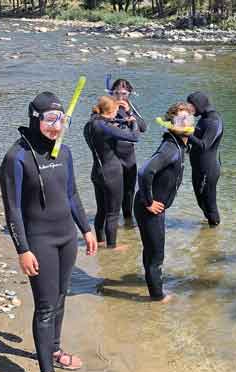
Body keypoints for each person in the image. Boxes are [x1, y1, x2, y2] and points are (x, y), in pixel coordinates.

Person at [0, 92, 97, 372]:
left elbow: (72, 195)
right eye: (49, 119)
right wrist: (23, 249)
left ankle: (54, 350)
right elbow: (13, 209)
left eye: (61, 119)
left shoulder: (64, 152)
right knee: (45, 306)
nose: (56, 126)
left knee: (60, 298)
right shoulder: (16, 157)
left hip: (67, 238)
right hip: (39, 241)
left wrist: (86, 229)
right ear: (34, 119)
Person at [134, 102, 195, 302]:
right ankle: (157, 297)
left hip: (150, 207)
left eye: (189, 118)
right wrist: (149, 201)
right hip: (150, 208)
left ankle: (152, 287)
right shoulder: (171, 148)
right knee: (157, 255)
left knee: (151, 250)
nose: (186, 123)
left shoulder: (179, 144)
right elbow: (144, 172)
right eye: (180, 119)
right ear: (171, 124)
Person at [84, 96, 139, 251]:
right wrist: (133, 122)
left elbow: (106, 123)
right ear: (112, 111)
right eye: (115, 111)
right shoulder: (105, 127)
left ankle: (100, 241)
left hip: (97, 171)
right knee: (113, 212)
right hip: (111, 173)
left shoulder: (90, 124)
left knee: (101, 209)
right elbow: (134, 137)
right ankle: (112, 246)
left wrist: (123, 121)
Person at [109, 79, 147, 227]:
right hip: (112, 156)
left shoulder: (132, 107)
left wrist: (130, 113)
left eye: (123, 93)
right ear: (112, 93)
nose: (120, 97)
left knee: (129, 191)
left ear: (129, 94)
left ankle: (128, 222)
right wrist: (112, 114)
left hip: (129, 156)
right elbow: (95, 126)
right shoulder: (107, 106)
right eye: (116, 93)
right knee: (113, 194)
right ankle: (111, 226)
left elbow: (143, 127)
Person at [186, 91, 224, 227]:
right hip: (198, 168)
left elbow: (204, 145)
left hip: (208, 169)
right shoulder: (203, 118)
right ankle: (208, 234)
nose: (189, 109)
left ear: (199, 104)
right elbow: (195, 140)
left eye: (191, 106)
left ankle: (214, 233)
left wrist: (185, 133)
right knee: (201, 201)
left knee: (209, 204)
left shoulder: (213, 121)